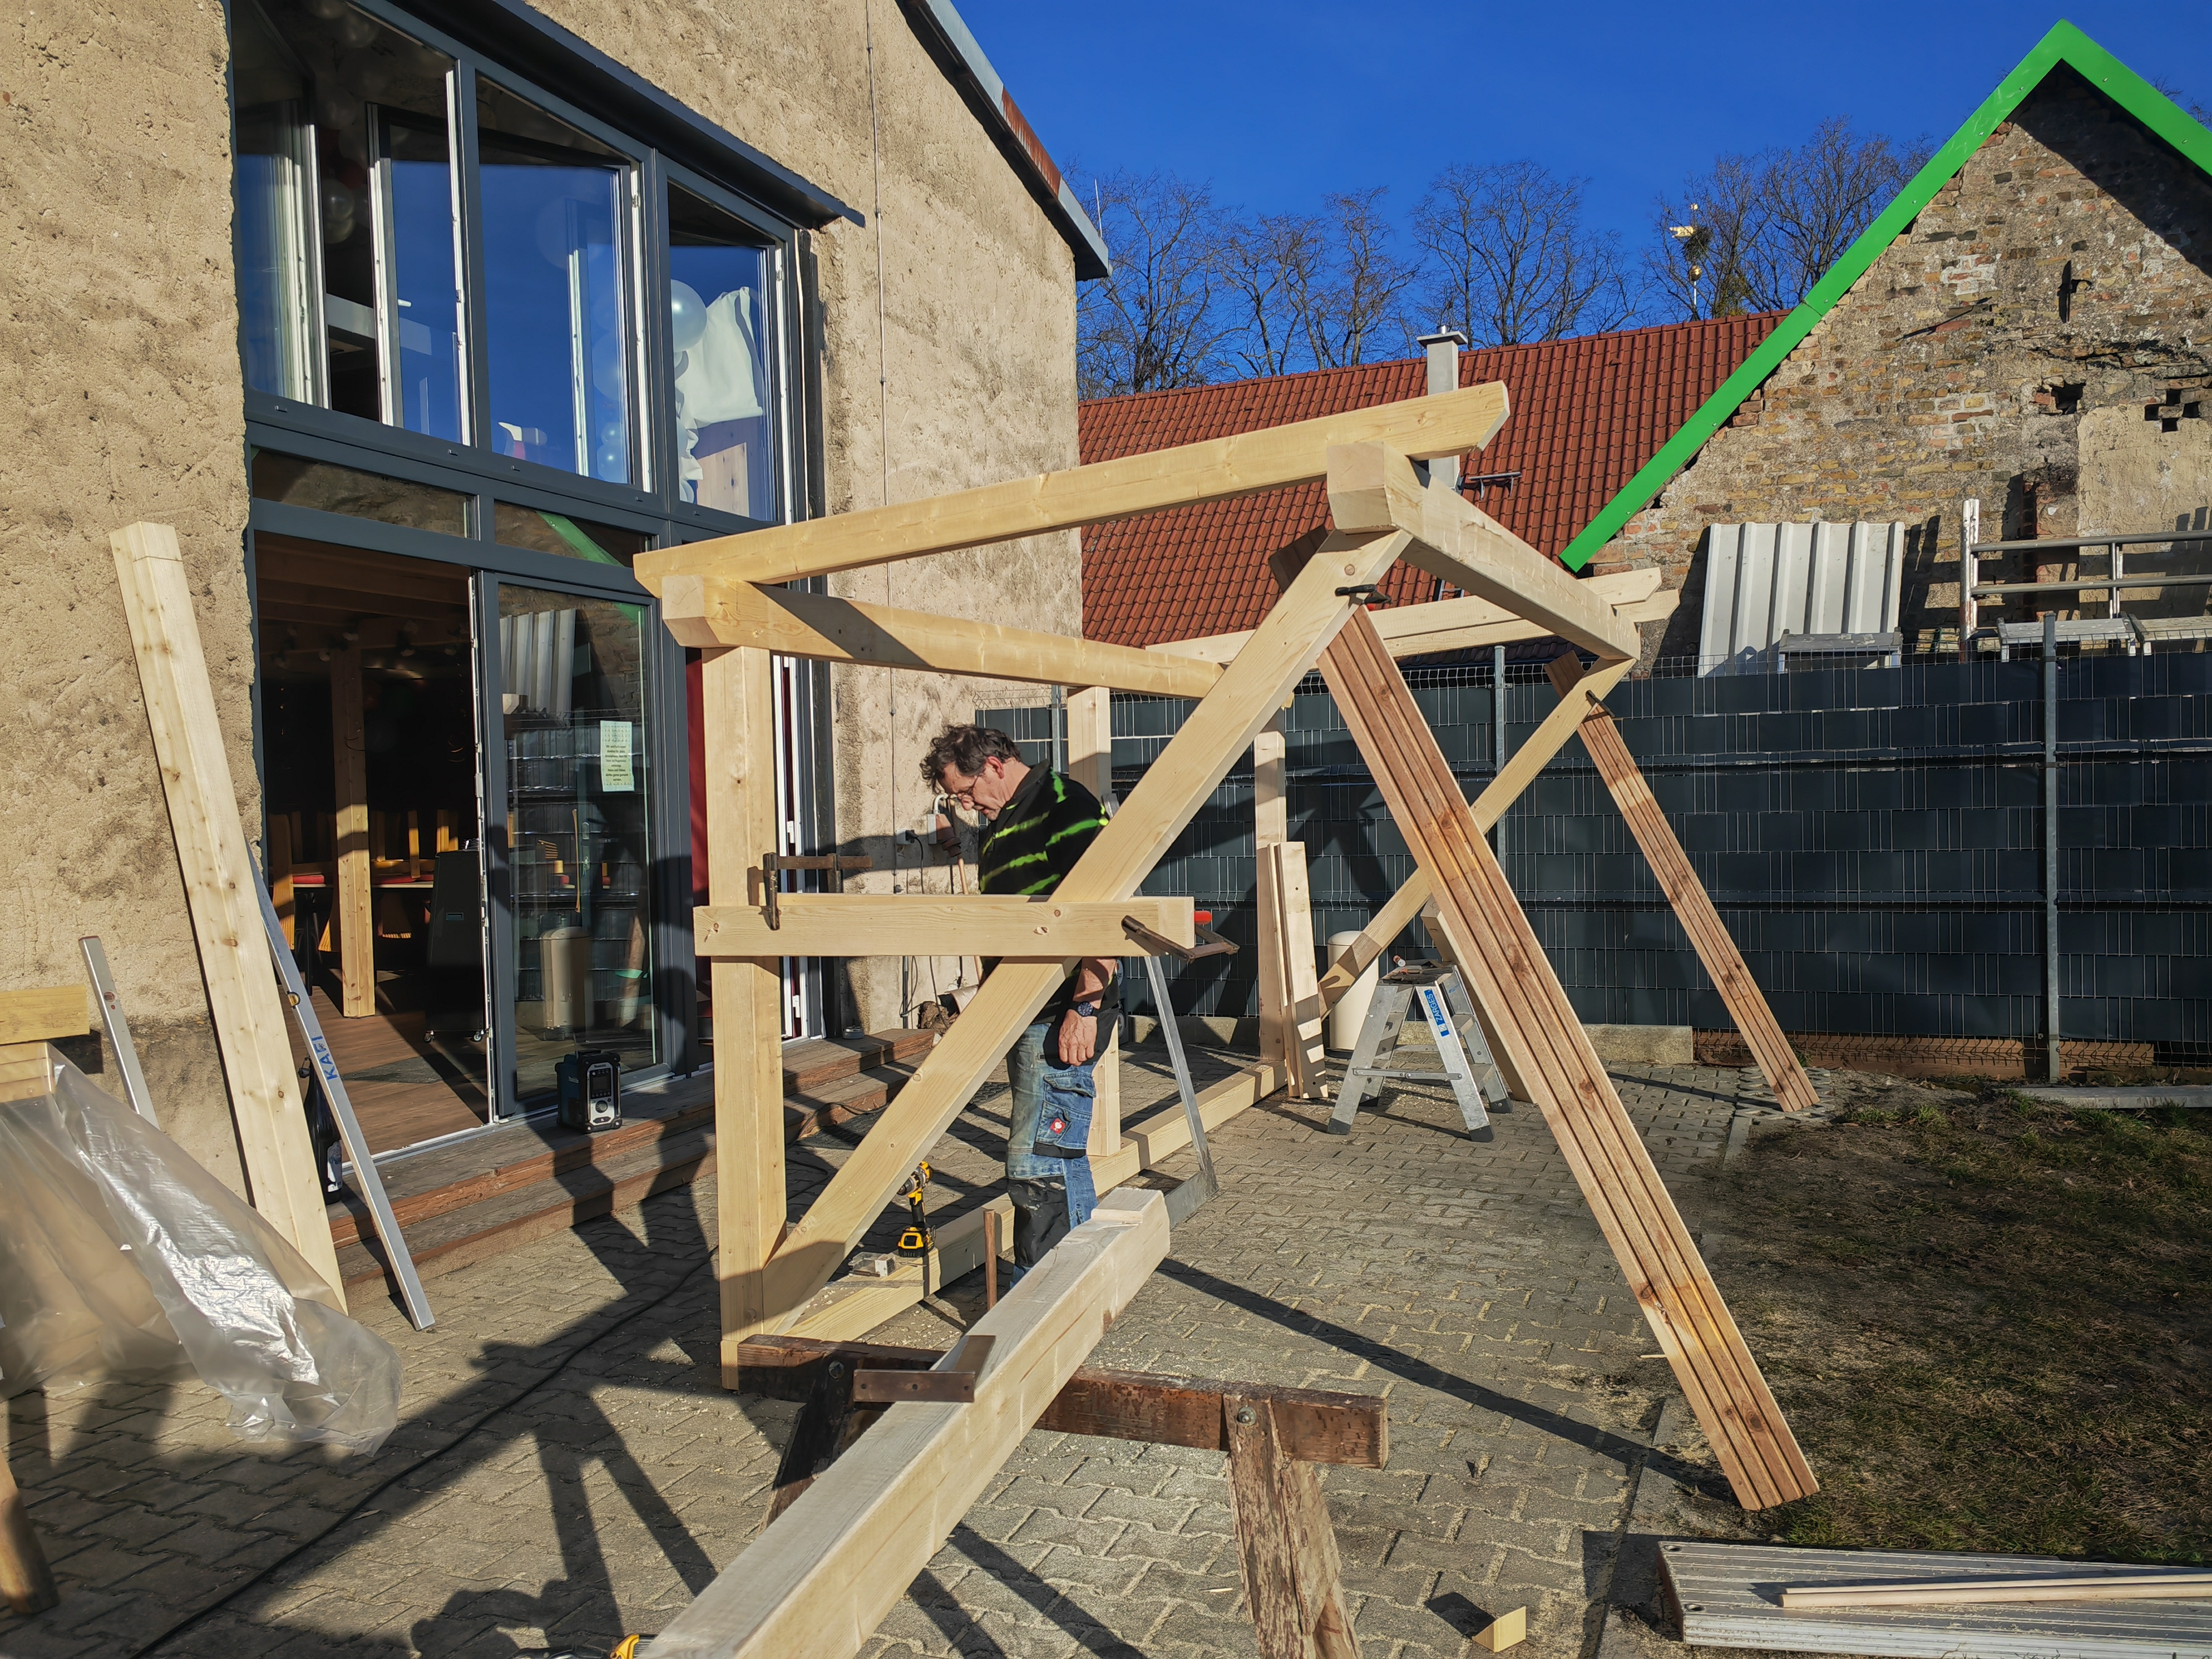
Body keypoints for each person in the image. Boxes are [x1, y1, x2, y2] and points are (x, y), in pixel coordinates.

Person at [921, 724, 1116, 1270]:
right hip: (1023, 1009)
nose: (965, 804)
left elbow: (1103, 907)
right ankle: (1074, 1279)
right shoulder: (1000, 823)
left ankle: (1044, 1292)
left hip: (1060, 1012)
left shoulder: (1063, 804)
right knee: (1055, 1154)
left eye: (965, 792)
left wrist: (1086, 1007)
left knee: (1035, 1162)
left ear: (996, 766)